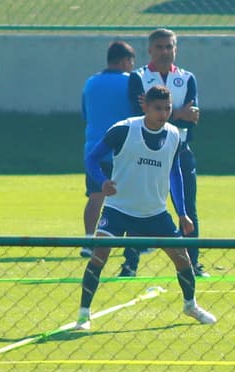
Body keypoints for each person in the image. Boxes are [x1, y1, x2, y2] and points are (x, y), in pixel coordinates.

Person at [76, 85, 216, 331]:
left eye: (167, 108)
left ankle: (190, 305)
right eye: (158, 108)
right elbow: (92, 158)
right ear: (146, 107)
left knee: (183, 259)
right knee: (99, 256)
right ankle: (83, 315)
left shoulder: (174, 134)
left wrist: (182, 213)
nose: (163, 114)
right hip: (118, 209)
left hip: (155, 213)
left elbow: (175, 173)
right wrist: (102, 181)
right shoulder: (123, 130)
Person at [125, 28, 204, 278]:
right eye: (159, 47)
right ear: (150, 50)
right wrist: (178, 114)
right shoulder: (139, 77)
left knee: (187, 206)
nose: (165, 52)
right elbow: (139, 116)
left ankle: (193, 263)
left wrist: (161, 114)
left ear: (175, 49)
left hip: (179, 149)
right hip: (145, 150)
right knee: (137, 205)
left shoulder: (187, 78)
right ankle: (129, 264)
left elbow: (192, 118)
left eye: (169, 47)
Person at [80, 40, 136, 262]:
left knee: (96, 196)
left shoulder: (91, 82)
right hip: (123, 150)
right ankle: (134, 243)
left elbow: (85, 114)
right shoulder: (131, 82)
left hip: (94, 149)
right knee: (130, 198)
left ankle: (88, 240)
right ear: (125, 61)